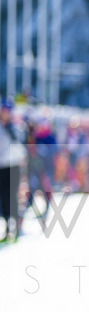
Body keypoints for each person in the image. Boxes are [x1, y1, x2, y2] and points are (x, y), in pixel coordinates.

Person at [0, 100, 26, 241]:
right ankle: (6, 226)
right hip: (1, 166)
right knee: (3, 197)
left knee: (12, 196)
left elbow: (21, 144)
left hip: (13, 165)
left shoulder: (16, 127)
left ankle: (16, 226)